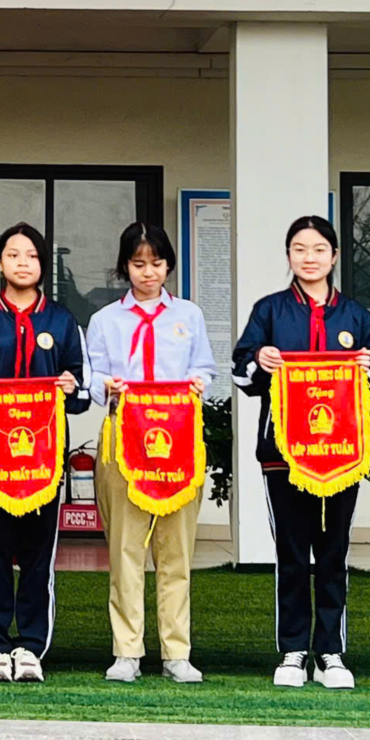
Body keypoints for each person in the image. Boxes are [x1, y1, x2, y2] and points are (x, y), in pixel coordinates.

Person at [231, 216, 370, 692]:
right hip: (283, 454)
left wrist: (364, 371)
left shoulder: (356, 317)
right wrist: (260, 361)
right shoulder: (270, 311)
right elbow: (240, 373)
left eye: (319, 249)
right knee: (293, 553)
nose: (309, 257)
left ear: (334, 256)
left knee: (334, 552)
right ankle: (293, 650)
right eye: (299, 249)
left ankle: (331, 652)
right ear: (289, 256)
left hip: (341, 453)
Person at [0, 221, 89, 684]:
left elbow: (83, 386)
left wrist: (70, 386)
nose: (22, 263)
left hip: (44, 463)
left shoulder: (62, 322)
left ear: (42, 264)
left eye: (31, 255)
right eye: (13, 254)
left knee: (36, 557)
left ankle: (30, 645)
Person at [84, 221, 216, 686]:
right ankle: (127, 651)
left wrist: (199, 382)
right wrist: (105, 385)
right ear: (125, 266)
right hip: (123, 440)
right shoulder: (105, 321)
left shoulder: (189, 316)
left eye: (157, 263)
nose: (148, 272)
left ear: (168, 266)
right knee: (125, 549)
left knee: (176, 550)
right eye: (138, 263)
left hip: (177, 441)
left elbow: (205, 367)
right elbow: (91, 377)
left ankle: (177, 651)